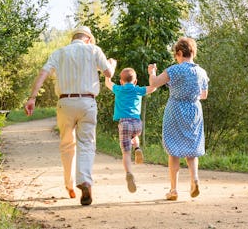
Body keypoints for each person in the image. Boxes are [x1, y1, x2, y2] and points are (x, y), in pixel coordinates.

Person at [24, 26, 113, 206]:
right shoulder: (94, 50)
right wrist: (112, 63)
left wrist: (32, 98)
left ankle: (69, 184)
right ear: (88, 39)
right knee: (86, 144)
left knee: (66, 145)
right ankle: (85, 181)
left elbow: (43, 73)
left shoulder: (60, 52)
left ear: (74, 38)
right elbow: (109, 73)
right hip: (87, 102)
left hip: (65, 103)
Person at [147, 37, 209, 201]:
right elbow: (204, 95)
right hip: (194, 110)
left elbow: (154, 84)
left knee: (173, 150)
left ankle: (173, 190)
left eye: (176, 55)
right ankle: (194, 179)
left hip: (175, 109)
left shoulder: (174, 70)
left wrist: (152, 72)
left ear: (180, 53)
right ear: (193, 53)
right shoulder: (202, 72)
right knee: (192, 147)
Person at [104, 59, 156, 193]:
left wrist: (111, 67)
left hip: (124, 123)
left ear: (121, 81)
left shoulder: (119, 89)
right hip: (137, 123)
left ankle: (128, 173)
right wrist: (152, 72)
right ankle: (137, 147)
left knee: (126, 153)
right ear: (135, 81)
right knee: (135, 135)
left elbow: (107, 82)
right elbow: (153, 87)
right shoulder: (138, 90)